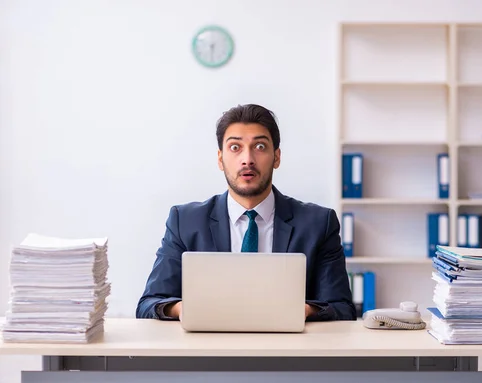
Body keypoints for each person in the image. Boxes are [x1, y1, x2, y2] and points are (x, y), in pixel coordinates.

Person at [136, 104, 356, 321]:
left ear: (276, 157)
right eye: (235, 147)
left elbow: (343, 309)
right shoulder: (184, 222)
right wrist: (182, 309)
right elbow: (149, 304)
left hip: (287, 352)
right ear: (220, 159)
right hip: (209, 352)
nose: (247, 159)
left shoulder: (319, 223)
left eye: (259, 147)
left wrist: (305, 311)